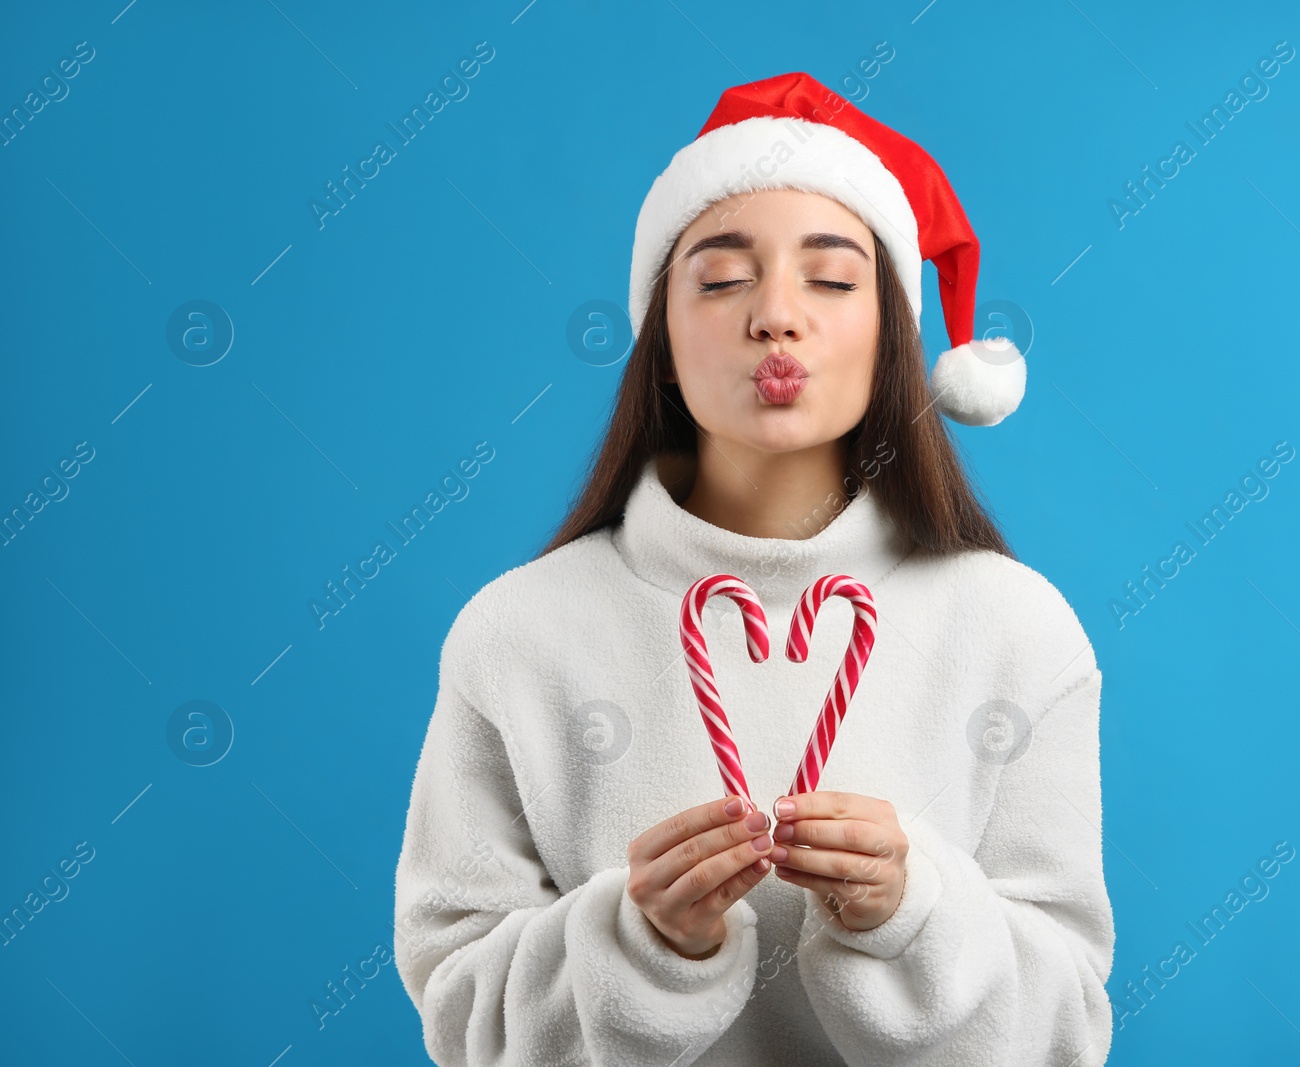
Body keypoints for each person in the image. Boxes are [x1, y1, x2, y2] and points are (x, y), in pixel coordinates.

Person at [393, 71, 1114, 1066]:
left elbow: (1067, 1027)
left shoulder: (1017, 630)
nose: (776, 316)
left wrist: (916, 915)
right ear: (662, 339)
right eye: (723, 278)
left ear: (890, 338)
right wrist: (636, 942)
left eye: (830, 279)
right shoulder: (517, 634)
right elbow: (463, 1014)